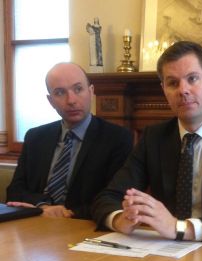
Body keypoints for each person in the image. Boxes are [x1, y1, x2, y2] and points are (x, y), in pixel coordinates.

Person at [91, 41, 202, 245]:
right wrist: (119, 219)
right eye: (173, 83)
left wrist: (179, 228)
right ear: (163, 90)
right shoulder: (154, 137)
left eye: (192, 79)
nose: (183, 90)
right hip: (164, 255)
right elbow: (107, 197)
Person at [6, 62, 133, 219]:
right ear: (50, 101)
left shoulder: (117, 138)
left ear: (91, 91)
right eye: (60, 93)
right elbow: (15, 190)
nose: (71, 100)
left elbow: (116, 197)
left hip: (82, 224)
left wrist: (66, 214)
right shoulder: (35, 137)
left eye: (78, 89)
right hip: (36, 222)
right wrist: (43, 207)